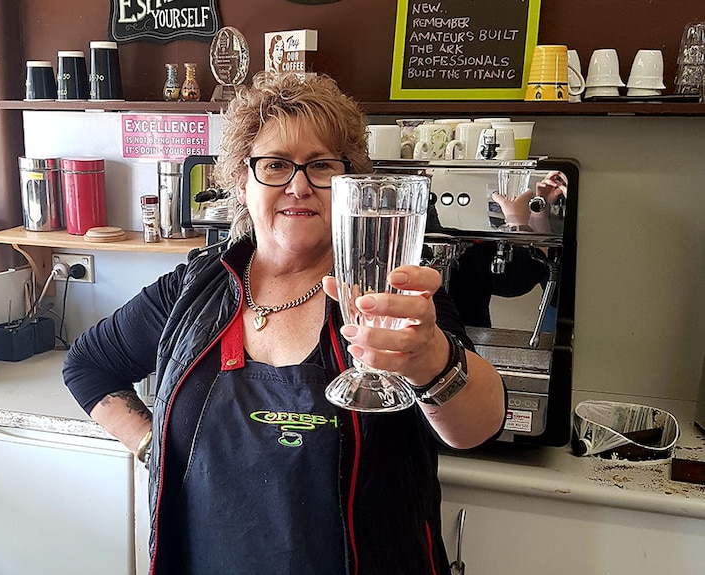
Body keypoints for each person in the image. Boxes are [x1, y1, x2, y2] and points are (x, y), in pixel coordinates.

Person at [64, 72, 506, 575]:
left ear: (348, 184)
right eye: (274, 165)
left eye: (320, 165)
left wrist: (431, 361)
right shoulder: (196, 287)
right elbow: (87, 365)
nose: (298, 185)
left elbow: (478, 427)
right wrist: (152, 444)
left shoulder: (390, 292)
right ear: (240, 180)